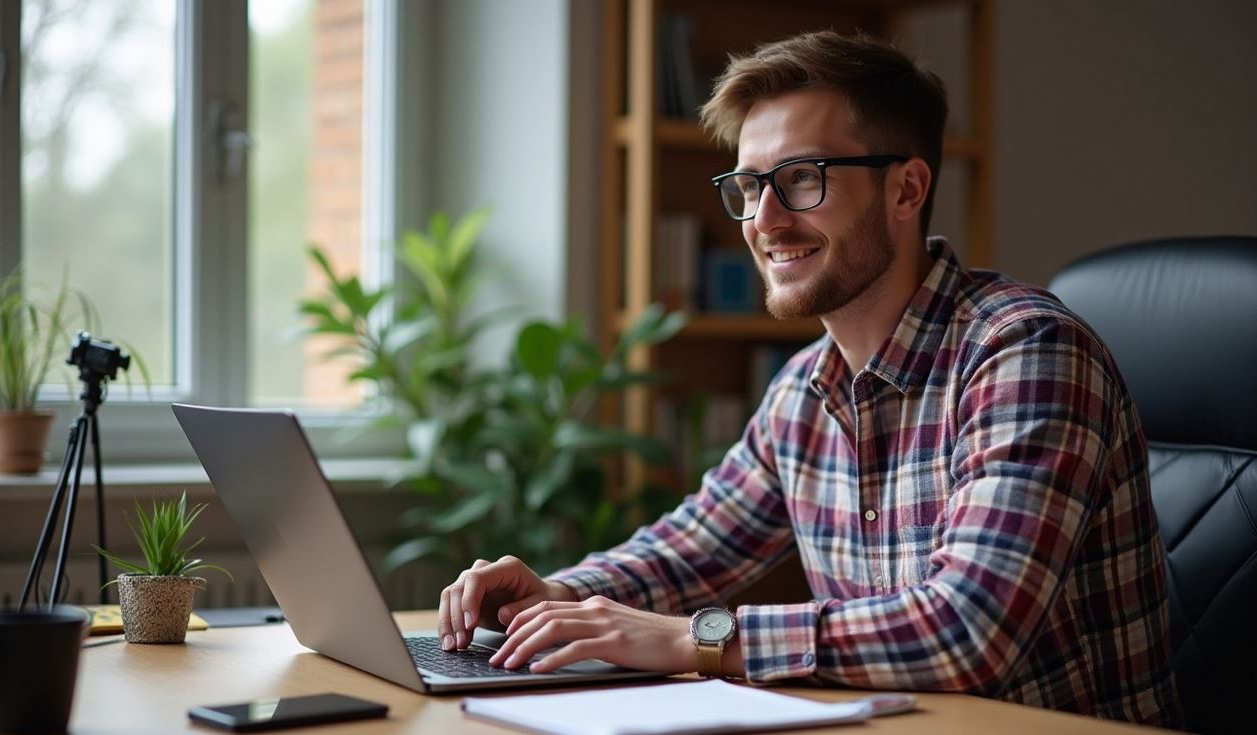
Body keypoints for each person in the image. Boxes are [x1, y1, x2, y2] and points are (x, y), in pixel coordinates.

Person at [437, 31, 1180, 727]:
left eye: (801, 179)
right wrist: (561, 593)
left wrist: (690, 638)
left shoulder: (1025, 351)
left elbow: (966, 629)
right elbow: (691, 548)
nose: (765, 219)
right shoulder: (804, 388)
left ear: (906, 190)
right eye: (750, 185)